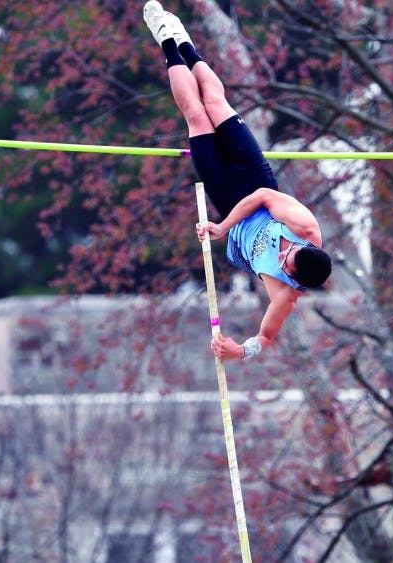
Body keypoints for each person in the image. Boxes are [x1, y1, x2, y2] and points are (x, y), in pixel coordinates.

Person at [143, 1, 332, 362]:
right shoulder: (306, 228)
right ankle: (184, 44)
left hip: (226, 197)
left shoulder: (284, 295)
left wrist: (239, 351)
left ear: (295, 280)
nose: (283, 254)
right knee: (214, 101)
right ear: (305, 246)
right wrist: (224, 227)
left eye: (286, 263)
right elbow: (262, 195)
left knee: (197, 117)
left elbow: (266, 336)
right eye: (289, 251)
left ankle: (167, 43)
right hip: (253, 182)